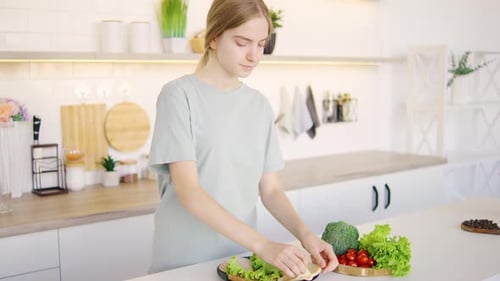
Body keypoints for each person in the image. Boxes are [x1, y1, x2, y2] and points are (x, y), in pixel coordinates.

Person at [148, 0, 338, 277]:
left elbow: (270, 189)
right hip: (183, 261)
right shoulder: (179, 96)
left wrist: (306, 235)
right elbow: (189, 193)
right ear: (213, 38)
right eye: (242, 42)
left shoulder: (259, 105)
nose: (254, 55)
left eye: (261, 44)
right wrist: (263, 244)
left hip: (238, 259)